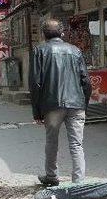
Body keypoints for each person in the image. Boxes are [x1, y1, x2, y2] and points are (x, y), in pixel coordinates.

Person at [30, 19, 91, 186]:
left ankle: (51, 176)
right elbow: (86, 80)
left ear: (43, 34)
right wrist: (84, 104)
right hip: (76, 104)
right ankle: (78, 182)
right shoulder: (75, 50)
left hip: (51, 104)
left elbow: (35, 83)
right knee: (77, 144)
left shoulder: (39, 50)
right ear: (62, 33)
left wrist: (37, 111)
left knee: (51, 141)